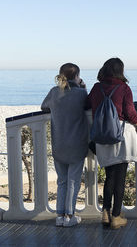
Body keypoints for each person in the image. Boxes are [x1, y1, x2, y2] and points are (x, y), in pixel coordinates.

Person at [87, 58, 137, 229]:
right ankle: (116, 217)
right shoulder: (123, 88)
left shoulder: (96, 87)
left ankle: (105, 213)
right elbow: (131, 115)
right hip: (121, 136)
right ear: (120, 71)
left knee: (109, 177)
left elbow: (86, 104)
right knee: (119, 178)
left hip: (102, 136)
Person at [41, 63, 88, 227]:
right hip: (76, 144)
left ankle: (60, 215)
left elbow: (44, 106)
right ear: (77, 76)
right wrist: (83, 87)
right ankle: (69, 215)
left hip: (59, 143)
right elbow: (88, 106)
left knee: (62, 180)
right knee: (73, 181)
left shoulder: (54, 92)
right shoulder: (81, 93)